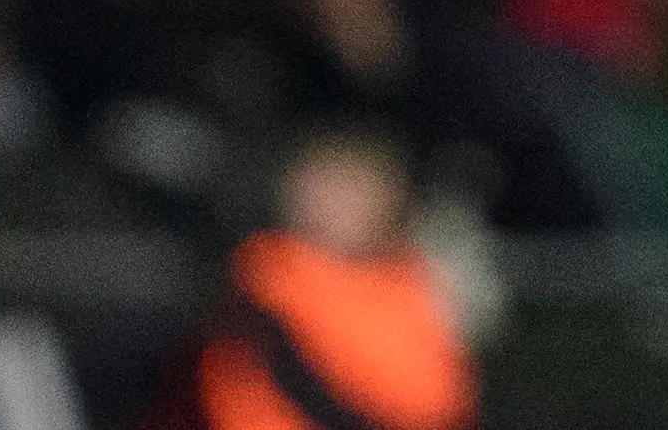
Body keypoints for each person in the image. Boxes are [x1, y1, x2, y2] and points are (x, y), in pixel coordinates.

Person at [190, 130, 477, 430]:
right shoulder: (263, 270)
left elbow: (435, 401)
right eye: (326, 187)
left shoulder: (412, 284)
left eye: (353, 192)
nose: (333, 204)